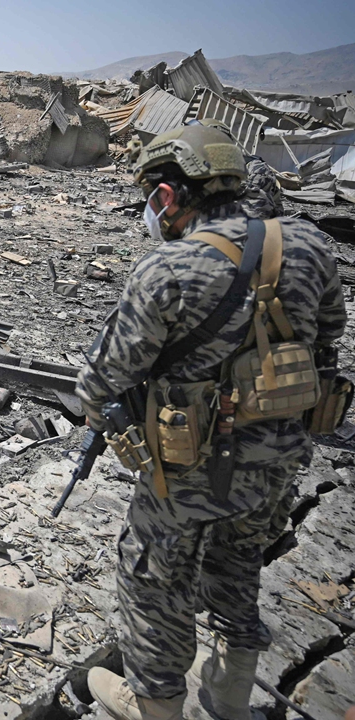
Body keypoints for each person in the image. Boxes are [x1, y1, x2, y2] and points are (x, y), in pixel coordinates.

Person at [76, 125, 345, 720]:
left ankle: (156, 705)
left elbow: (102, 378)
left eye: (151, 196)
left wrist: (101, 411)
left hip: (187, 467)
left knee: (153, 579)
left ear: (168, 195)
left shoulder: (167, 268)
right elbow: (328, 338)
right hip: (279, 460)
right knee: (238, 565)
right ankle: (228, 699)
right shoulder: (309, 247)